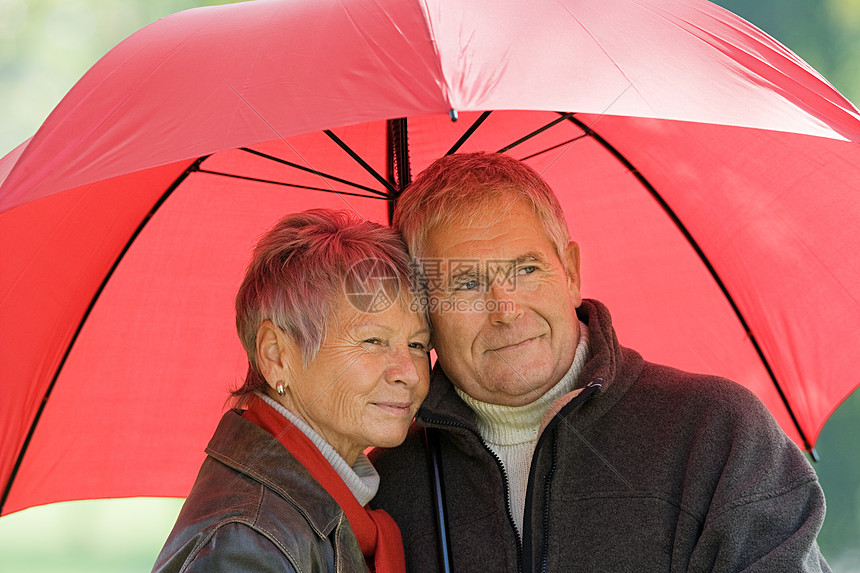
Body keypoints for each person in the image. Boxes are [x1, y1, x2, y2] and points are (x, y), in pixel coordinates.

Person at [369, 153, 830, 572]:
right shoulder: (386, 485)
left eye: (526, 270)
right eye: (466, 284)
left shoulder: (718, 433)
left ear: (570, 273)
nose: (505, 311)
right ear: (424, 308)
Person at [153, 209, 431, 572]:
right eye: (373, 340)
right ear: (276, 355)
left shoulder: (334, 508)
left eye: (418, 345)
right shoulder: (247, 542)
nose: (408, 373)